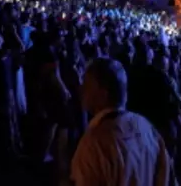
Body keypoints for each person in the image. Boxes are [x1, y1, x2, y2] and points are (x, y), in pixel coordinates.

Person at [70, 58, 171, 186]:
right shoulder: (148, 129)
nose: (80, 89)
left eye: (86, 85)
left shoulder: (95, 144)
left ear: (103, 94)